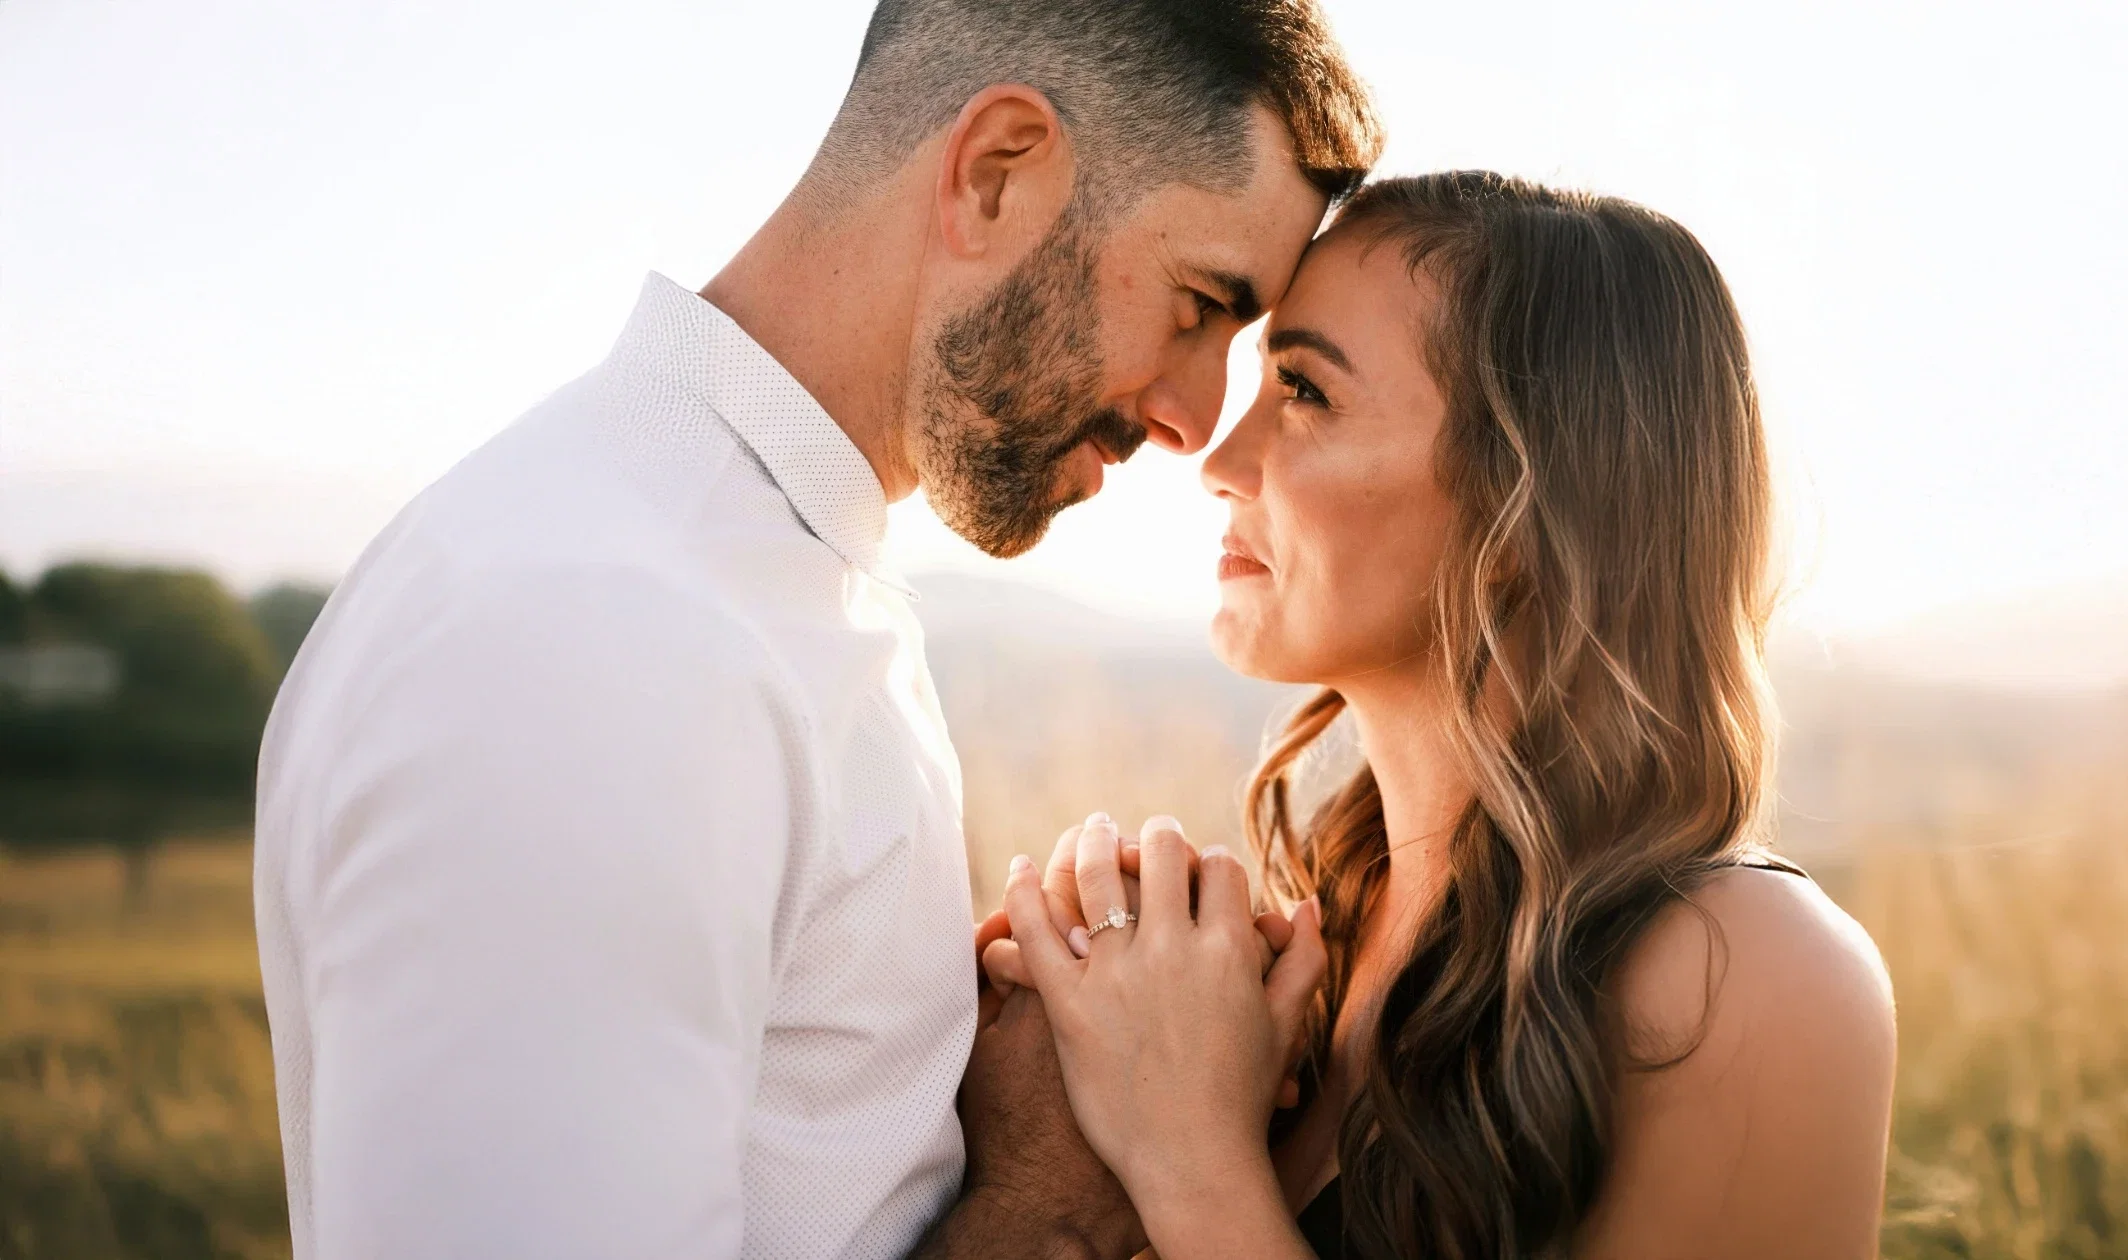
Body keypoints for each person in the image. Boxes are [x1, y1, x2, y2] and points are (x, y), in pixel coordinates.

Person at [250, 2, 1379, 1257]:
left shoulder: (755, 579)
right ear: (997, 172)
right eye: (1196, 304)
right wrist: (1049, 1198)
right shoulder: (596, 642)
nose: (1189, 420)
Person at [986, 172, 1899, 1260]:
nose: (1219, 465)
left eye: (1306, 395)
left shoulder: (1750, 977)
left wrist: (1182, 1150)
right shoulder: (1308, 955)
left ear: (1527, 506)